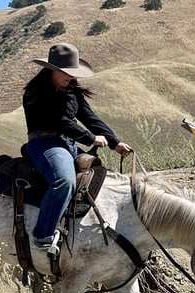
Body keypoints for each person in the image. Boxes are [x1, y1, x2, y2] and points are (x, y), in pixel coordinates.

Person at [23, 43, 132, 249]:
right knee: (64, 180)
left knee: (97, 175)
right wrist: (90, 138)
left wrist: (115, 143)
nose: (70, 76)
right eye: (65, 72)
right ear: (52, 70)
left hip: (67, 143)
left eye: (72, 72)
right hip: (44, 143)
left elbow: (90, 118)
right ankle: (43, 236)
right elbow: (61, 121)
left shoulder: (72, 90)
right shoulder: (37, 92)